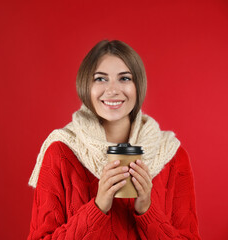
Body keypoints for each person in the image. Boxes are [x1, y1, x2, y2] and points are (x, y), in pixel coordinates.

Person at [27, 40, 201, 239]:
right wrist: (98, 207)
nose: (112, 90)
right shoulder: (60, 152)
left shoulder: (172, 155)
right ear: (86, 86)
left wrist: (146, 210)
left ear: (138, 86)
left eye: (124, 78)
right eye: (100, 79)